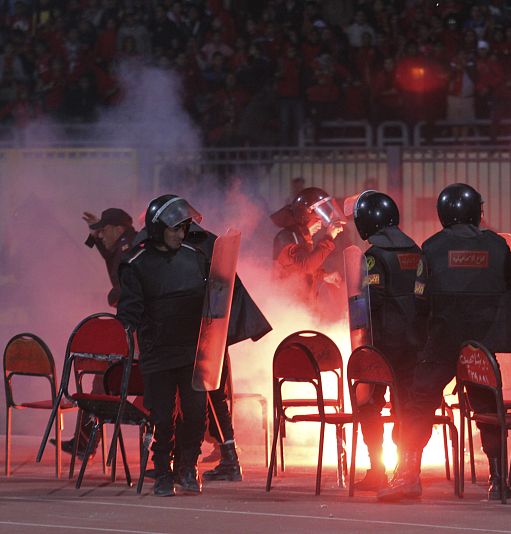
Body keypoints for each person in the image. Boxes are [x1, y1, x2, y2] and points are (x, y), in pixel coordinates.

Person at [377, 183, 511, 502]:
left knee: (419, 404)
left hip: (441, 342)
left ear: (443, 213)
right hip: (481, 348)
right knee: (488, 408)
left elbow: (420, 298)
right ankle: (498, 480)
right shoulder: (496, 244)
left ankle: (408, 477)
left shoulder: (431, 247)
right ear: (476, 212)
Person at [116, 195, 210, 497]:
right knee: (162, 416)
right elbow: (129, 309)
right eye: (174, 229)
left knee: (196, 414)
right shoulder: (136, 264)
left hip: (191, 350)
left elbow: (216, 298)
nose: (180, 235)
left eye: (183, 229)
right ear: (158, 229)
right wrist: (127, 329)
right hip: (158, 352)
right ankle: (163, 473)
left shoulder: (195, 257)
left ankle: (187, 466)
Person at [181, 225, 272, 483]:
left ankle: (193, 459)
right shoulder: (209, 246)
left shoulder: (193, 251)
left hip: (205, 334)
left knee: (206, 397)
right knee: (215, 397)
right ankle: (228, 458)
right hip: (214, 333)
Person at [52, 208, 138, 458]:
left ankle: (85, 442)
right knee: (101, 380)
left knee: (105, 380)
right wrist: (93, 233)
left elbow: (132, 286)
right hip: (132, 330)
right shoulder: (126, 246)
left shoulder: (130, 251)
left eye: (103, 230)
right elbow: (110, 257)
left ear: (119, 229)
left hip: (139, 332)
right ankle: (84, 442)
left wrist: (117, 294)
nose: (100, 235)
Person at [350, 190, 421, 491]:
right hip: (416, 344)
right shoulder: (416, 251)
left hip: (383, 346)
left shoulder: (373, 257)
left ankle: (378, 468)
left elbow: (370, 299)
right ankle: (407, 469)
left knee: (366, 403)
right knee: (406, 407)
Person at [271, 187, 345, 308]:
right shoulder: (286, 237)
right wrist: (329, 236)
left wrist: (323, 276)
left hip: (302, 310)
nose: (320, 225)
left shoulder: (302, 239)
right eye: (317, 219)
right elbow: (305, 266)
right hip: (288, 310)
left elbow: (299, 270)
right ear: (305, 216)